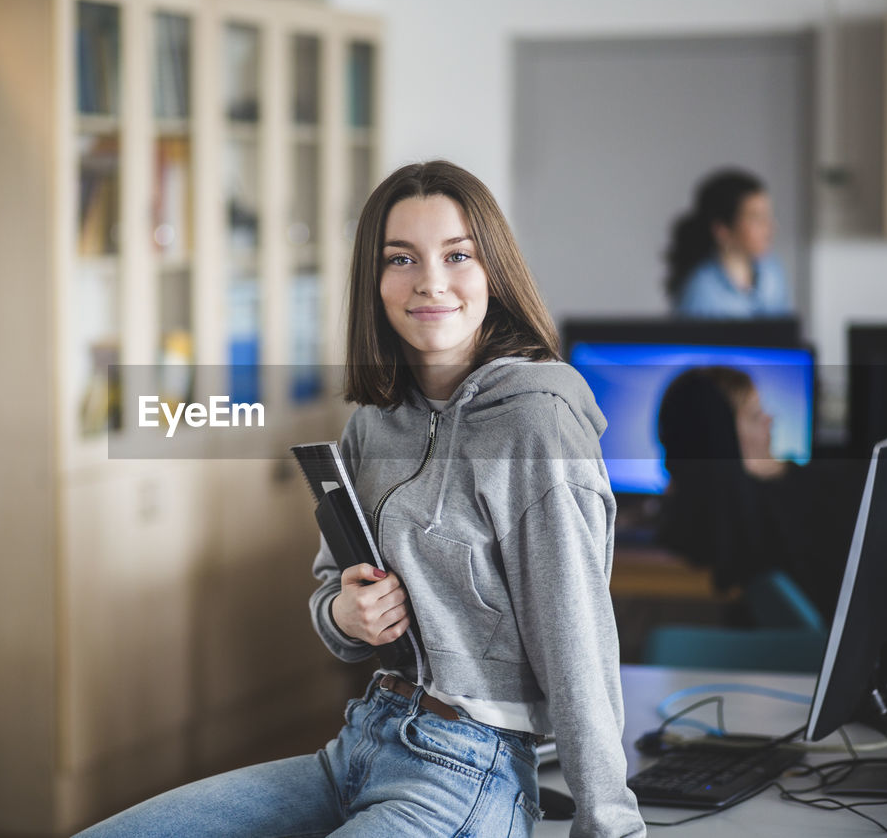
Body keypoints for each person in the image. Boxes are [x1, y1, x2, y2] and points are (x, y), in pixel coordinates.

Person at [76, 161, 645, 837]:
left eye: (457, 255)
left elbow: (577, 640)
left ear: (493, 270)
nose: (430, 281)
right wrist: (348, 613)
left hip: (469, 771)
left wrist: (610, 822)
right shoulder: (372, 425)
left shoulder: (535, 421)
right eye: (400, 258)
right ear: (374, 283)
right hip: (359, 746)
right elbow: (331, 597)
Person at [656, 366, 862, 620]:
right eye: (754, 416)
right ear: (722, 436)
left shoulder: (719, 517)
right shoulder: (767, 507)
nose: (769, 419)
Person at [664, 169, 792, 318]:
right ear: (722, 230)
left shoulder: (772, 271)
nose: (769, 228)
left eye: (767, 216)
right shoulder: (701, 291)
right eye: (756, 218)